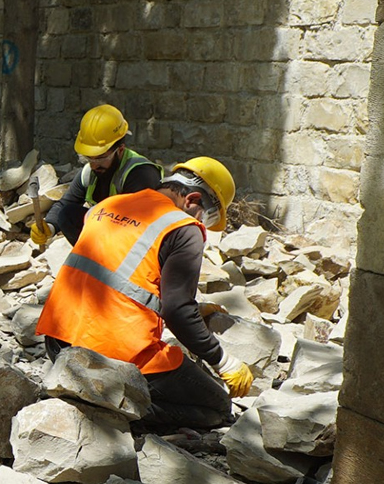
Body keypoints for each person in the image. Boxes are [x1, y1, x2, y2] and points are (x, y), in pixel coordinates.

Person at [35, 157, 253, 429]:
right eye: (203, 217)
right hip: (113, 356)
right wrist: (223, 361)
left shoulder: (108, 205)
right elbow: (178, 310)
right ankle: (111, 408)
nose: (200, 224)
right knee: (219, 407)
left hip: (58, 343)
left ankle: (86, 392)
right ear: (193, 200)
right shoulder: (183, 229)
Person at [32, 104, 162, 246]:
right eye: (89, 158)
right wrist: (49, 227)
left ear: (120, 150)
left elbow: (137, 226)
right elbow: (65, 204)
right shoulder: (90, 172)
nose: (94, 165)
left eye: (100, 158)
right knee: (67, 215)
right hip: (108, 237)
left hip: (136, 242)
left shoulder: (141, 174)